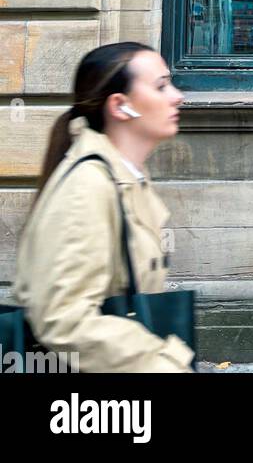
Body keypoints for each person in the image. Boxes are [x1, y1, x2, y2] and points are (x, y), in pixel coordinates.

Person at [13, 41, 194, 373]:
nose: (177, 95)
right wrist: (165, 365)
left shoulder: (124, 177)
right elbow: (63, 318)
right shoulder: (89, 186)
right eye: (161, 86)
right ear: (120, 106)